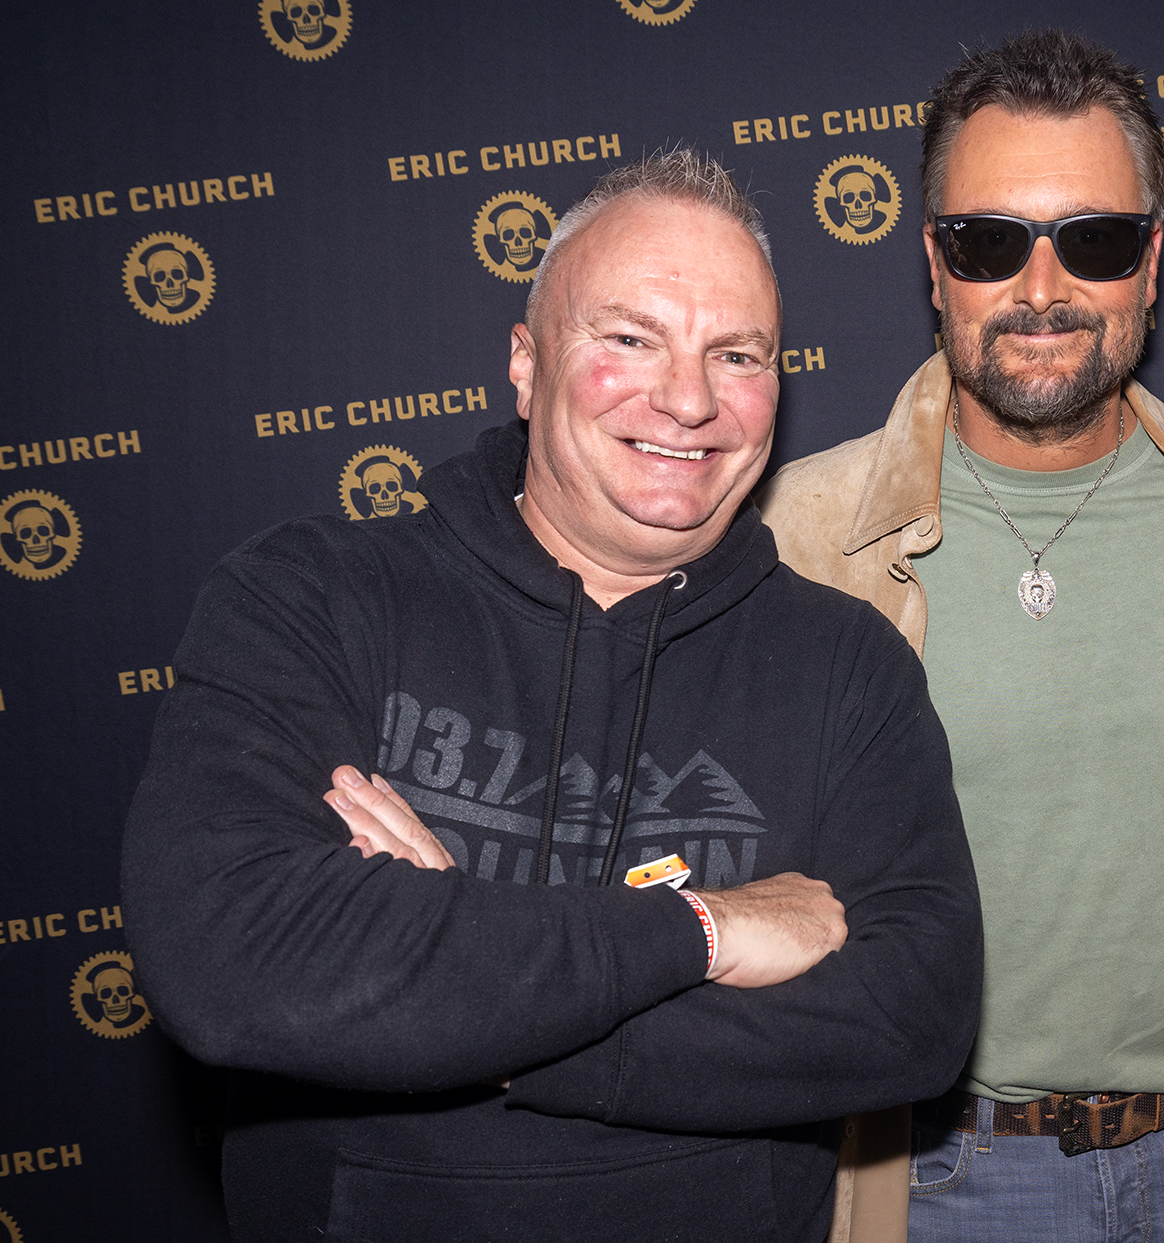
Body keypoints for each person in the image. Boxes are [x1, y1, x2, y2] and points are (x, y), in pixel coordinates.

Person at [122, 150, 982, 1243]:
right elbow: (234, 959)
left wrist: (453, 987)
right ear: (526, 368)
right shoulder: (314, 596)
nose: (688, 399)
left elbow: (910, 1016)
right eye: (630, 338)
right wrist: (704, 928)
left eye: (736, 353)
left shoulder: (849, 661)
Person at [760, 29, 1164, 1243]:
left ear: (1150, 262)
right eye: (990, 241)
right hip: (942, 1180)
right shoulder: (806, 532)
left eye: (1094, 239)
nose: (1042, 287)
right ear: (934, 264)